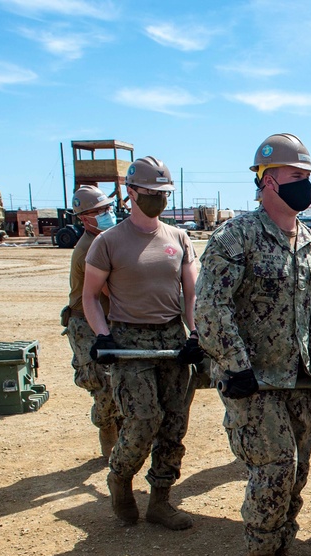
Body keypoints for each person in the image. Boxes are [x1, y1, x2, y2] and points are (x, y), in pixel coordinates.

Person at [194, 133, 311, 556]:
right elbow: (211, 307)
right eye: (296, 176)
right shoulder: (235, 237)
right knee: (274, 468)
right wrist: (235, 366)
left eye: (307, 177)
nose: (304, 185)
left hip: (297, 380)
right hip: (253, 381)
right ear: (267, 179)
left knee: (298, 472)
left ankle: (282, 549)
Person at [82, 156, 204, 531]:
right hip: (129, 341)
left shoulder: (178, 238)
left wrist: (196, 334)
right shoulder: (108, 242)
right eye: (150, 193)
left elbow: (191, 295)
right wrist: (103, 336)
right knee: (143, 419)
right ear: (131, 193)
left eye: (163, 193)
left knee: (174, 422)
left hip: (171, 338)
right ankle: (120, 477)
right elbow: (89, 297)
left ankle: (161, 501)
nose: (157, 199)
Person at [62, 185, 122, 460]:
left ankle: (120, 435)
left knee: (120, 382)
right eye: (99, 211)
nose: (107, 214)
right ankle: (108, 434)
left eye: (108, 209)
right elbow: (113, 291)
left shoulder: (108, 240)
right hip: (86, 323)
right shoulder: (89, 249)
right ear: (84, 218)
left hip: (108, 318)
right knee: (104, 384)